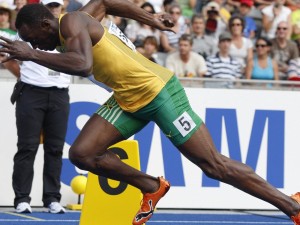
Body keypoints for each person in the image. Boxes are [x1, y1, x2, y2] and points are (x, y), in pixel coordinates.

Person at [1, 1, 300, 225]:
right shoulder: (80, 19)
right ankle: (152, 187)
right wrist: (152, 18)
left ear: (45, 23)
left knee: (214, 165)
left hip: (159, 92)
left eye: (33, 38)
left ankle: (292, 207)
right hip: (128, 99)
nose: (32, 44)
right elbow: (105, 2)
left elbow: (82, 65)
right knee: (83, 153)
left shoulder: (71, 22)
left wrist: (31, 55)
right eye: (29, 44)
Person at [0, 0, 70, 214]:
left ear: (61, 10)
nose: (54, 9)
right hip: (31, 92)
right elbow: (6, 55)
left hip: (59, 92)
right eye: (50, 6)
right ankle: (22, 198)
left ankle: (52, 199)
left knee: (55, 149)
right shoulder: (27, 31)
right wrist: (24, 75)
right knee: (27, 147)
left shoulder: (67, 31)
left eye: (57, 6)